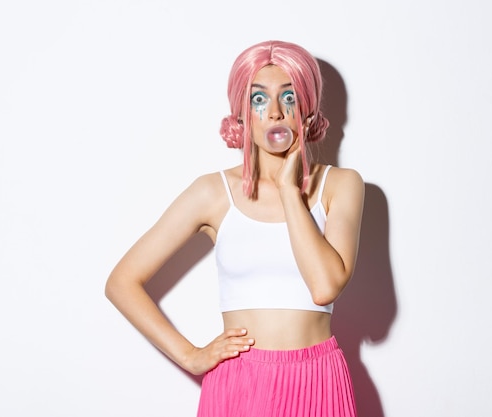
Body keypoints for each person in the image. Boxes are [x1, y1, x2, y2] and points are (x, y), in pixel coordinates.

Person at [105, 40, 365, 417]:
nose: (274, 113)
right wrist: (190, 355)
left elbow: (324, 286)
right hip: (240, 385)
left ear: (306, 109)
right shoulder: (212, 192)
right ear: (242, 116)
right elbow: (121, 282)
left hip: (318, 379)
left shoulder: (342, 185)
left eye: (288, 98)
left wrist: (290, 191)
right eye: (259, 100)